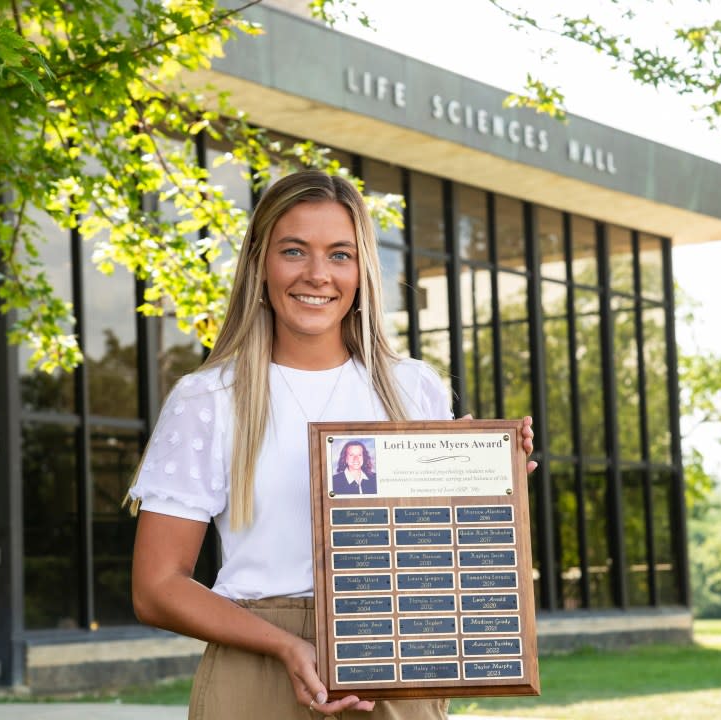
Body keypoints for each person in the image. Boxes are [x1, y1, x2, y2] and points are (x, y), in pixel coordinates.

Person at [127, 170, 536, 719]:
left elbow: (432, 566)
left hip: (392, 667)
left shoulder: (415, 388)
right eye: (294, 251)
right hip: (257, 668)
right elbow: (155, 588)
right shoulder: (209, 398)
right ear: (259, 263)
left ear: (363, 269)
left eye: (340, 255)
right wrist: (285, 644)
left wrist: (484, 482)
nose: (317, 275)